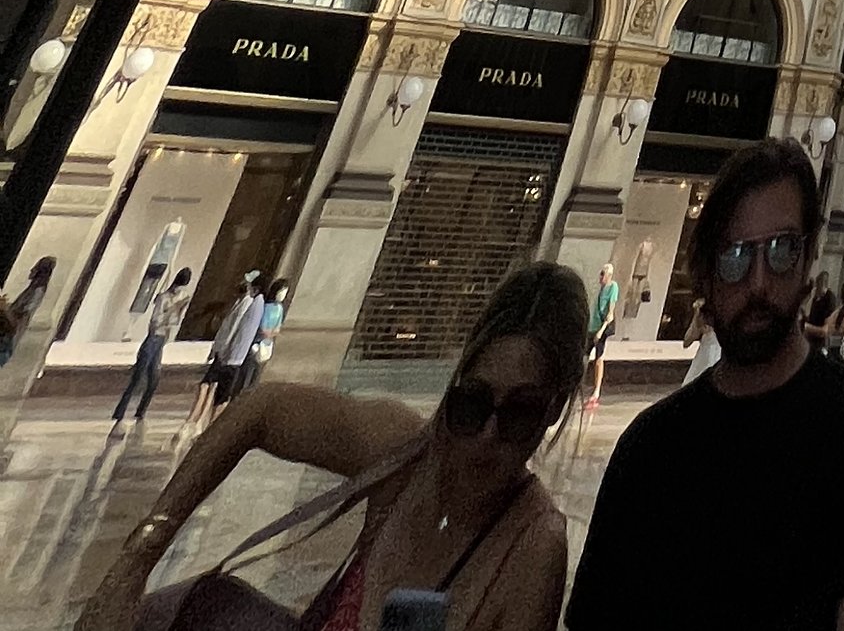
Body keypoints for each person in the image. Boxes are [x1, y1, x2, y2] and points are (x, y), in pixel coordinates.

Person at [76, 262, 585, 631]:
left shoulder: (532, 549)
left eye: (520, 414)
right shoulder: (406, 454)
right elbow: (259, 410)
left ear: (554, 411)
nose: (486, 435)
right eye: (472, 404)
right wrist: (133, 565)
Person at [568, 136, 844, 631]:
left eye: (781, 251)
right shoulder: (648, 450)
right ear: (706, 275)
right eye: (735, 256)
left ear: (808, 261)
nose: (758, 283)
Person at [109, 268, 193, 433]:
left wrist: (178, 312)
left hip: (161, 340)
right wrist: (173, 310)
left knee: (154, 379)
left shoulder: (179, 298)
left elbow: (173, 323)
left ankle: (141, 412)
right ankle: (120, 413)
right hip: (153, 339)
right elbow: (156, 321)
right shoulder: (164, 298)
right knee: (138, 378)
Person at [191, 273, 265, 430]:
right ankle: (199, 422)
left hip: (230, 356)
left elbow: (233, 330)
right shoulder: (243, 303)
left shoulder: (248, 303)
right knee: (210, 388)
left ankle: (206, 425)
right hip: (227, 354)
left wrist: (223, 351)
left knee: (217, 392)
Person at [0, 255, 54, 371]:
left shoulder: (36, 292)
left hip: (6, 341)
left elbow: (16, 323)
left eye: (34, 269)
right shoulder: (32, 290)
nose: (31, 271)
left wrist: (5, 310)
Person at [586, 267, 622, 413]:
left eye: (603, 274)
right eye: (600, 273)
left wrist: (600, 331)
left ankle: (596, 391)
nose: (600, 277)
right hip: (592, 326)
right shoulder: (600, 289)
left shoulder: (613, 287)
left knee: (598, 358)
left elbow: (610, 313)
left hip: (600, 328)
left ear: (609, 275)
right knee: (585, 355)